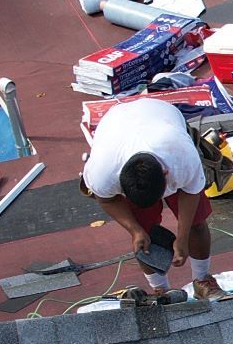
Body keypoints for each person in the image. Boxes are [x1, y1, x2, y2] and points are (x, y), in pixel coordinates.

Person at [80, 94, 212, 293]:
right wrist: (135, 230)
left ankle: (202, 280)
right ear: (122, 184)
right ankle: (160, 289)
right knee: (144, 235)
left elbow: (190, 193)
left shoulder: (182, 157)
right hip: (116, 123)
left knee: (197, 224)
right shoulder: (103, 172)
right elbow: (106, 200)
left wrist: (182, 237)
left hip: (160, 114)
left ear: (166, 174)